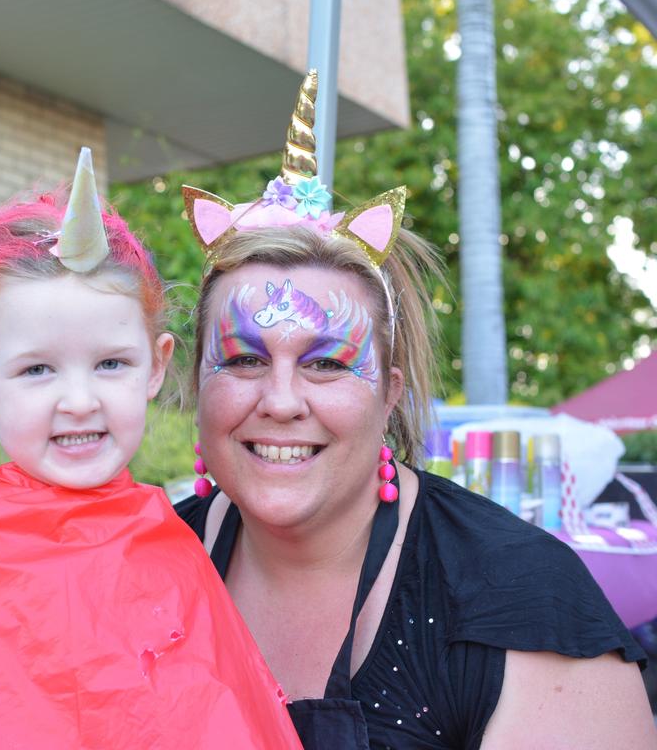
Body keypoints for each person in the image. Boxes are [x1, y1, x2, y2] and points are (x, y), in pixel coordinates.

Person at [176, 71, 656, 749]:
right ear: (198, 383)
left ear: (390, 392)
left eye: (326, 363)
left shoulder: (519, 602)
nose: (280, 401)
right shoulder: (139, 570)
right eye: (245, 359)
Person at [0, 149, 301, 749]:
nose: (79, 400)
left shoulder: (163, 535)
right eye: (38, 370)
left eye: (110, 363)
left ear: (156, 367)